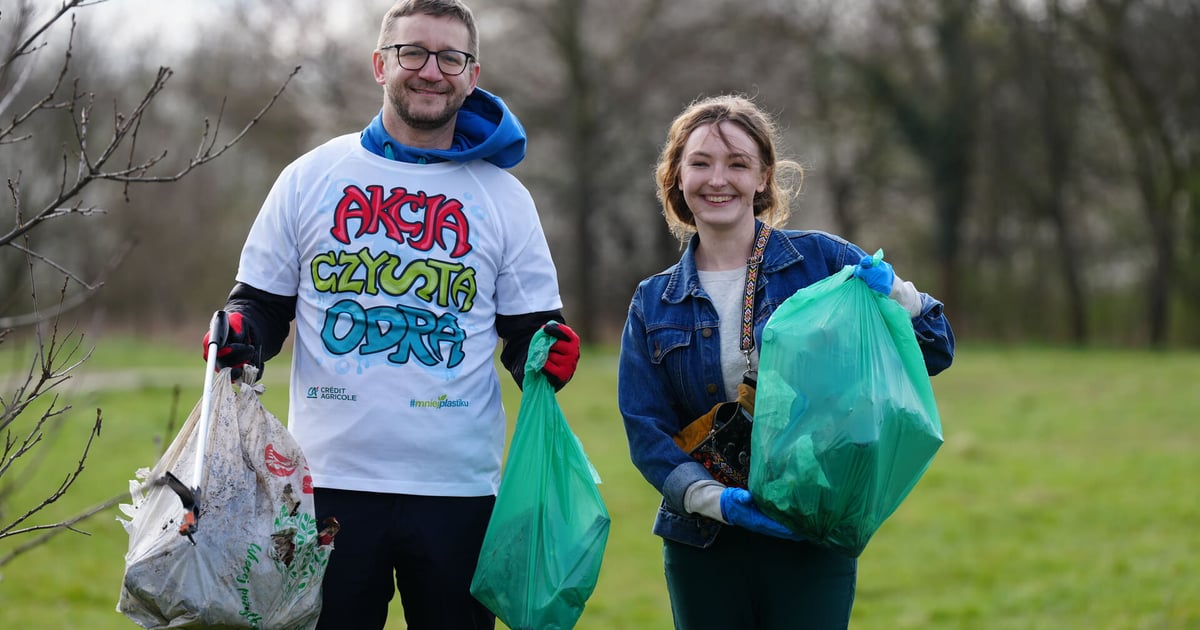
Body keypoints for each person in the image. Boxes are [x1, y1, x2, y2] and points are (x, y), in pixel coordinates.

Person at [201, 1, 579, 628]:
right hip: (326, 485)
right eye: (413, 53)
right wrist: (241, 334)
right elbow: (261, 306)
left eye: (450, 57)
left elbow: (530, 333)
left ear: (472, 74)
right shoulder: (310, 177)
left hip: (458, 490)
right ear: (380, 64)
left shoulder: (504, 197)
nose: (431, 70)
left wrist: (547, 355)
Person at [617, 94, 955, 629]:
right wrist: (714, 500)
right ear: (677, 177)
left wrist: (901, 296)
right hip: (702, 542)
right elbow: (645, 430)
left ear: (763, 177)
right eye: (700, 163)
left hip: (813, 527)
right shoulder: (652, 302)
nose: (717, 179)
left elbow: (935, 351)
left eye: (738, 164)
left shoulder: (824, 262)